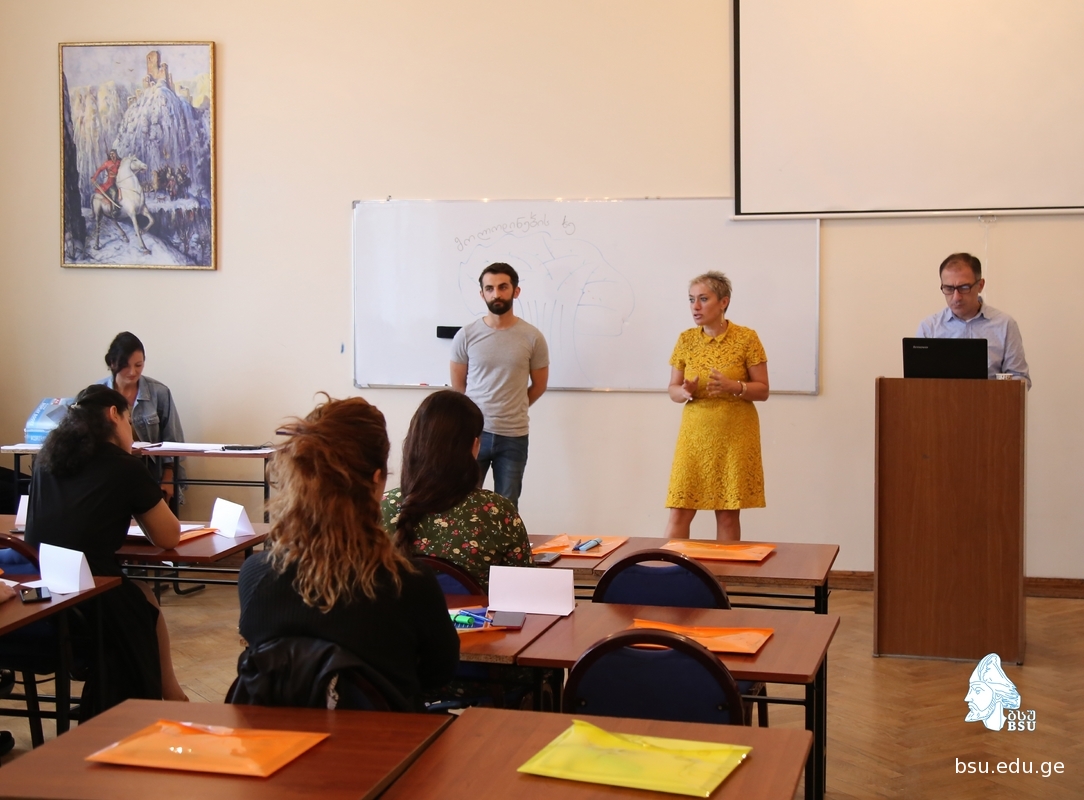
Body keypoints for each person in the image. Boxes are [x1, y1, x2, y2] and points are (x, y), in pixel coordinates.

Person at [237, 395, 459, 710]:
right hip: (386, 738)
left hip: (282, 739)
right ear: (376, 479)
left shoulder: (256, 575)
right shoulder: (410, 583)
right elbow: (439, 674)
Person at [24, 384, 188, 711]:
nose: (132, 434)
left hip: (41, 594)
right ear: (114, 415)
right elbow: (168, 537)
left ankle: (167, 695)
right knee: (142, 599)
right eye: (129, 422)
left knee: (138, 593)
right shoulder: (124, 467)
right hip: (91, 598)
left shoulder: (46, 460)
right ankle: (168, 697)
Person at [382, 390, 533, 592]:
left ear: (414, 442)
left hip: (401, 615)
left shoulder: (379, 508)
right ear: (474, 446)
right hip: (477, 614)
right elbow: (525, 591)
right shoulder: (497, 513)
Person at [665, 271, 769, 541]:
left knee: (727, 513)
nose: (695, 307)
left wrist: (734, 386)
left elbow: (763, 390)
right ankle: (667, 568)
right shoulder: (686, 339)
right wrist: (684, 391)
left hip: (734, 434)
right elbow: (673, 389)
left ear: (723, 302)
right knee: (680, 509)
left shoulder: (747, 338)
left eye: (703, 299)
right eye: (691, 300)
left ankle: (724, 569)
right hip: (695, 434)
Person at [450, 263, 549, 508]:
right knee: (465, 503)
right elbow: (459, 386)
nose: (496, 294)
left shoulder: (533, 337)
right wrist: (475, 417)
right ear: (482, 293)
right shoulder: (466, 335)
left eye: (503, 287)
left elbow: (539, 385)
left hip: (514, 435)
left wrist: (514, 406)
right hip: (475, 434)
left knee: (507, 506)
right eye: (490, 288)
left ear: (516, 291)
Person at [916, 252, 1031, 388]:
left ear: (980, 285)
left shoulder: (1005, 325)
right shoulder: (929, 327)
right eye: (949, 288)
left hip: (991, 400)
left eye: (964, 288)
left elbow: (1020, 379)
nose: (956, 297)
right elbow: (916, 383)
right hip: (940, 400)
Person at [97, 332, 185, 503]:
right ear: (112, 363)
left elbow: (174, 442)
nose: (133, 372)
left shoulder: (159, 392)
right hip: (109, 476)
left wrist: (168, 478)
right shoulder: (98, 394)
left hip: (150, 475)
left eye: (139, 365)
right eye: (126, 365)